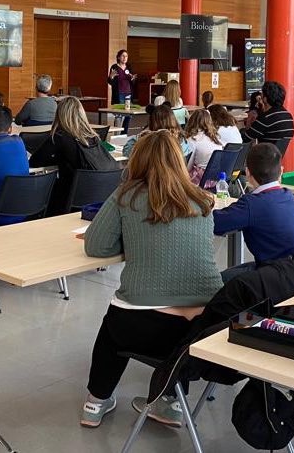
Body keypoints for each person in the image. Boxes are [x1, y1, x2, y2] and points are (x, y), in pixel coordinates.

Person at [80, 130, 222, 429]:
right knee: (167, 340)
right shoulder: (203, 200)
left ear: (138, 159)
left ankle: (96, 401)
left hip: (141, 326)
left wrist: (132, 240)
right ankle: (167, 399)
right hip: (202, 328)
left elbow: (96, 246)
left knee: (112, 327)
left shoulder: (127, 195)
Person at [214, 142, 294, 280]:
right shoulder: (287, 195)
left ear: (248, 172)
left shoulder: (251, 204)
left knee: (215, 282)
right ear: (281, 171)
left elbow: (215, 224)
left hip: (274, 277)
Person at [30, 97, 117, 214]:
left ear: (60, 115)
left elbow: (34, 161)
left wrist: (57, 158)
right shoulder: (94, 137)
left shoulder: (60, 136)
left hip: (70, 200)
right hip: (99, 198)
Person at [121, 104, 189, 159]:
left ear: (151, 122)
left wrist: (140, 136)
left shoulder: (150, 142)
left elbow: (127, 151)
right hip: (178, 175)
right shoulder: (182, 140)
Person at [184, 109, 224, 184]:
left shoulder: (193, 139)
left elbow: (188, 167)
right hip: (215, 179)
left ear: (191, 122)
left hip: (199, 180)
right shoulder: (216, 139)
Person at [107, 49, 136, 133]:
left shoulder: (129, 67)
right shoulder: (114, 67)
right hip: (119, 93)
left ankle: (124, 133)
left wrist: (133, 79)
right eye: (123, 56)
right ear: (119, 57)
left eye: (126, 56)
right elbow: (110, 82)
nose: (125, 58)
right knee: (119, 114)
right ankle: (117, 134)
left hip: (128, 94)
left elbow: (132, 82)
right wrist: (111, 77)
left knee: (128, 115)